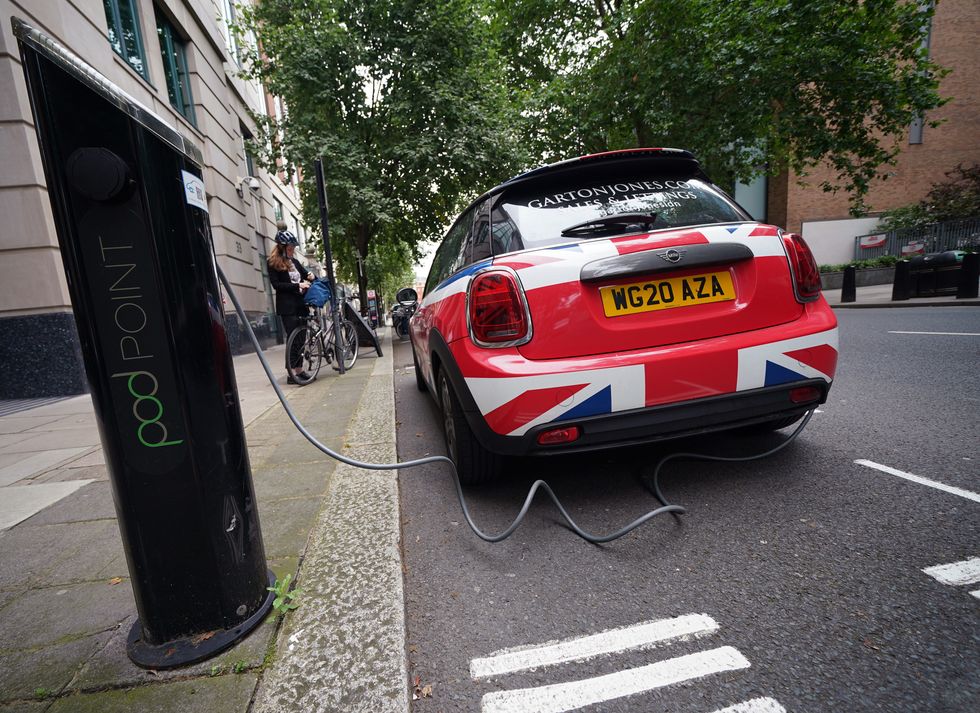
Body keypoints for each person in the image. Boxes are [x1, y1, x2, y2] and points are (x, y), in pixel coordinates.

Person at [268, 224, 313, 384]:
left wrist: (310, 276)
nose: (292, 250)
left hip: (300, 304)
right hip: (287, 306)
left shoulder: (294, 261)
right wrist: (297, 285)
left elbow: (304, 273)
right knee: (293, 338)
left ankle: (300, 370)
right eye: (290, 247)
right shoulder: (273, 263)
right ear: (282, 247)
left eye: (293, 247)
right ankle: (292, 373)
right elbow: (276, 285)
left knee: (301, 338)